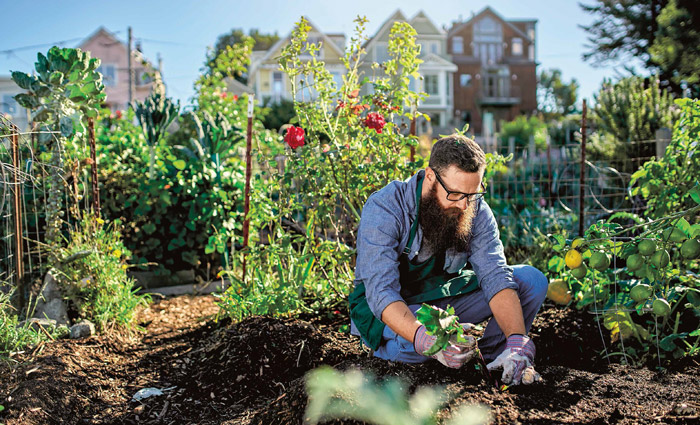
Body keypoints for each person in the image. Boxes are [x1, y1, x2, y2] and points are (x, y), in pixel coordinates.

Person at [349, 133, 548, 386]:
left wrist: (517, 340)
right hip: (393, 308)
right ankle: (390, 355)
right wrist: (423, 337)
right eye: (455, 194)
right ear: (430, 176)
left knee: (531, 280)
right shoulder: (386, 208)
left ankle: (492, 362)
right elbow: (381, 293)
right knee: (417, 346)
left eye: (473, 194)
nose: (465, 206)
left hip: (442, 300)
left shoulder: (474, 208)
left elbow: (495, 275)